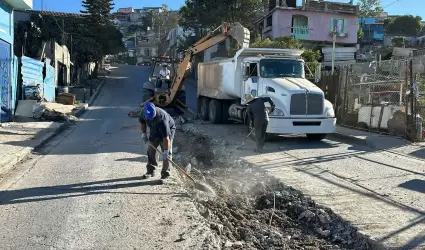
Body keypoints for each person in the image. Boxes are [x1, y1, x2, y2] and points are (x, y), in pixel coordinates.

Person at [139, 102, 176, 180]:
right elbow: (142, 123)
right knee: (150, 150)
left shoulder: (162, 118)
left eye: (151, 117)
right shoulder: (143, 112)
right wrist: (144, 133)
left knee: (167, 154)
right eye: (148, 117)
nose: (150, 118)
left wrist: (165, 151)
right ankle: (150, 171)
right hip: (154, 129)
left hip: (167, 131)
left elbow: (166, 138)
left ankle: (165, 174)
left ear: (155, 111)